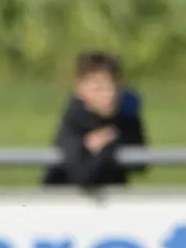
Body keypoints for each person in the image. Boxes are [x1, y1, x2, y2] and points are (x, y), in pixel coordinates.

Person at [41, 50, 148, 190]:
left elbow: (140, 163)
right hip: (64, 203)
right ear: (80, 88)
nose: (108, 95)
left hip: (112, 201)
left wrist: (110, 142)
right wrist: (106, 148)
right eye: (98, 89)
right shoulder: (74, 119)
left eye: (113, 87)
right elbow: (83, 176)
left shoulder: (125, 116)